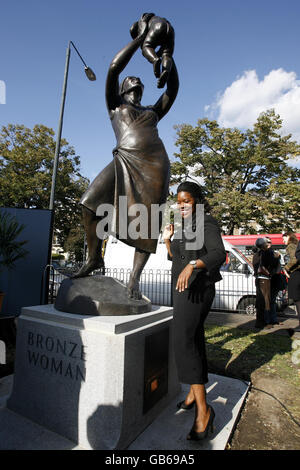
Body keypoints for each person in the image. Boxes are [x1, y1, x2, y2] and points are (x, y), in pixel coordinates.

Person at [74, 15, 179, 300]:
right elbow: (114, 67)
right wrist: (139, 38)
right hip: (124, 161)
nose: (136, 85)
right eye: (131, 84)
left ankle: (134, 280)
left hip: (154, 166)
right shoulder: (115, 107)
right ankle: (95, 258)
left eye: (139, 86)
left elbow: (172, 90)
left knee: (145, 223)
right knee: (88, 202)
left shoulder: (151, 113)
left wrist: (168, 57)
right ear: (122, 90)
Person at [163, 181, 226, 441]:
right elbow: (175, 257)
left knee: (183, 342)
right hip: (181, 291)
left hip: (197, 290)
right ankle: (192, 393)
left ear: (197, 201)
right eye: (178, 202)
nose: (181, 205)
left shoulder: (206, 222)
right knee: (194, 341)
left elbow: (218, 254)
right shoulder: (184, 226)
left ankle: (204, 411)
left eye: (186, 201)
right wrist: (168, 240)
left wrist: (193, 265)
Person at [130, 13, 175, 88]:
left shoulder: (142, 21)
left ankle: (154, 60)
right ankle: (166, 70)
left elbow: (142, 36)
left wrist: (154, 57)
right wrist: (158, 53)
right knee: (167, 54)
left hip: (157, 26)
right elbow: (161, 51)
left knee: (146, 46)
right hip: (170, 29)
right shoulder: (156, 17)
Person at [252, 238, 278, 329]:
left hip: (258, 279)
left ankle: (259, 321)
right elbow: (272, 262)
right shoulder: (266, 254)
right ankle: (263, 322)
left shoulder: (256, 255)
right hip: (264, 279)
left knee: (260, 300)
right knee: (265, 300)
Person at [282, 232, 300, 332]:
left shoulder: (291, 246)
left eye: (284, 238)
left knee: (297, 301)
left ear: (288, 237)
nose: (283, 241)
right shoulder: (297, 245)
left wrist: (286, 268)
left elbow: (294, 259)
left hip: (296, 274)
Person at [265, 237, 284, 326]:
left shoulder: (275, 254)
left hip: (273, 280)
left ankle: (270, 319)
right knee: (270, 301)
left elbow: (278, 268)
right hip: (269, 280)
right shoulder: (271, 254)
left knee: (270, 301)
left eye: (270, 242)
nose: (269, 244)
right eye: (267, 242)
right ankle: (271, 319)